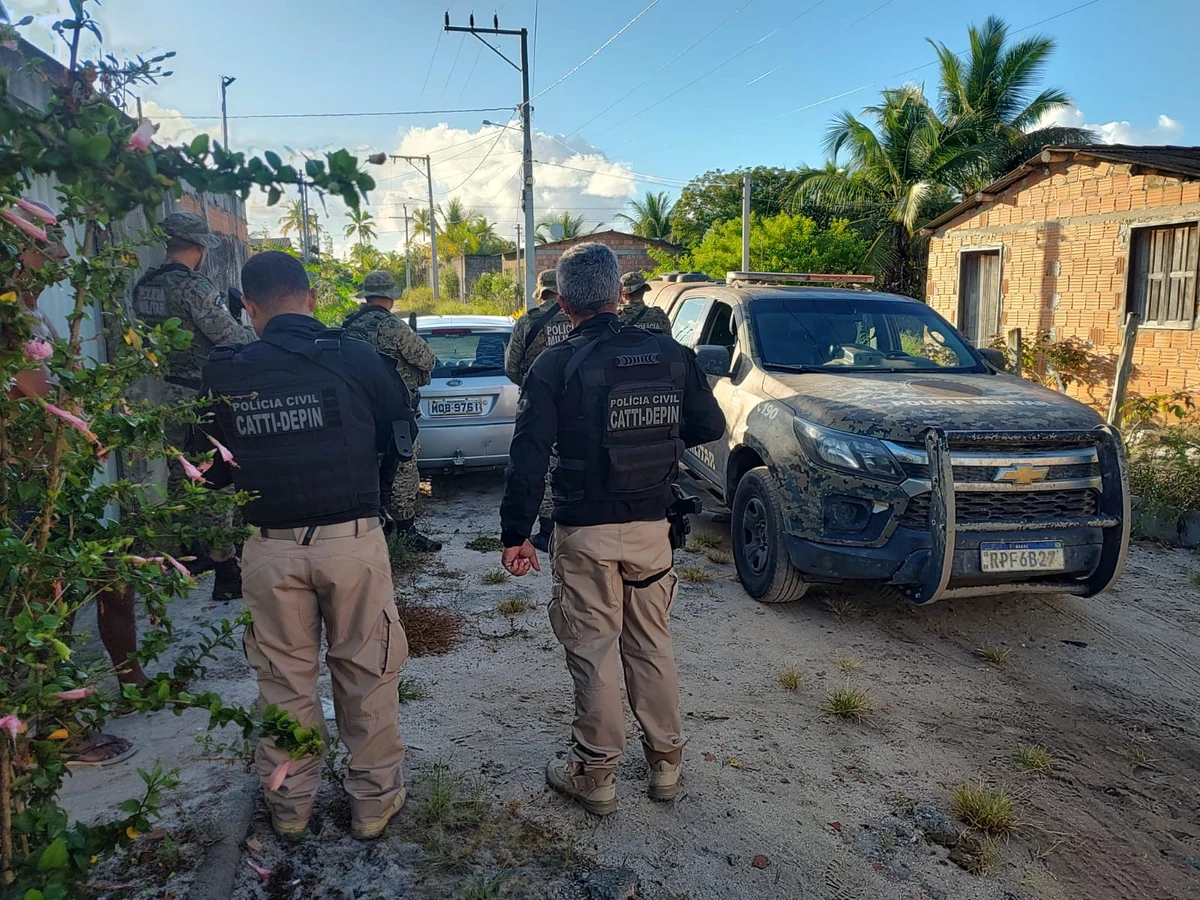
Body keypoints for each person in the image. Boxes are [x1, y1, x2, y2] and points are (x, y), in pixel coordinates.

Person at [191, 251, 414, 840]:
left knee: (284, 681)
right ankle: (373, 803)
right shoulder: (357, 355)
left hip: (269, 547)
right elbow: (401, 436)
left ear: (248, 307)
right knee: (367, 671)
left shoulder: (227, 369)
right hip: (353, 540)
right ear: (312, 298)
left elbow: (207, 467)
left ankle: (290, 807)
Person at [499, 243, 725, 815]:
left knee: (595, 649)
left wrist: (514, 534)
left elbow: (527, 456)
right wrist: (651, 443)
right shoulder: (671, 354)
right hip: (653, 527)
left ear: (565, 301)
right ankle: (666, 766)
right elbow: (709, 423)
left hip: (585, 533)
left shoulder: (554, 363)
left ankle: (596, 774)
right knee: (652, 644)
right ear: (621, 294)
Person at [6, 198, 141, 766]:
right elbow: (54, 399)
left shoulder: (33, 314)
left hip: (52, 483)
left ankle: (131, 680)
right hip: (20, 490)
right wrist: (97, 412)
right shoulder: (9, 322)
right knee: (42, 610)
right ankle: (54, 733)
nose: (62, 256)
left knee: (110, 576)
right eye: (48, 245)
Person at [131, 211, 256, 601]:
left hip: (167, 394)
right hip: (203, 396)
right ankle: (226, 570)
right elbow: (230, 338)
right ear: (199, 248)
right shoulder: (194, 287)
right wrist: (252, 324)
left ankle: (189, 553)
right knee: (215, 480)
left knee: (179, 475)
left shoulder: (144, 287)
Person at [341, 270, 440, 552]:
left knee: (365, 467)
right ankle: (405, 528)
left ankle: (372, 527)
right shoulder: (392, 326)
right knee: (404, 466)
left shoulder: (349, 324)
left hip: (357, 409)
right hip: (394, 411)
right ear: (390, 297)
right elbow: (427, 359)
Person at [503, 269, 572, 551]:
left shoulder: (527, 321)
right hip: (578, 403)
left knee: (538, 462)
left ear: (541, 292)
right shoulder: (574, 316)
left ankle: (545, 530)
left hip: (538, 405)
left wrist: (533, 387)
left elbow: (510, 367)